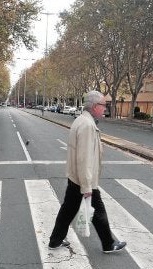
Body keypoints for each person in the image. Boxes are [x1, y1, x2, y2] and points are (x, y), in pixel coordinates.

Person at [48, 89, 126, 253]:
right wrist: (87, 186)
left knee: (68, 210)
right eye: (104, 105)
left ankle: (55, 240)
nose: (105, 108)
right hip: (84, 179)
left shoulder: (81, 120)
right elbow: (84, 159)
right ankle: (108, 244)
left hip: (76, 177)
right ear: (95, 106)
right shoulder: (87, 125)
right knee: (98, 211)